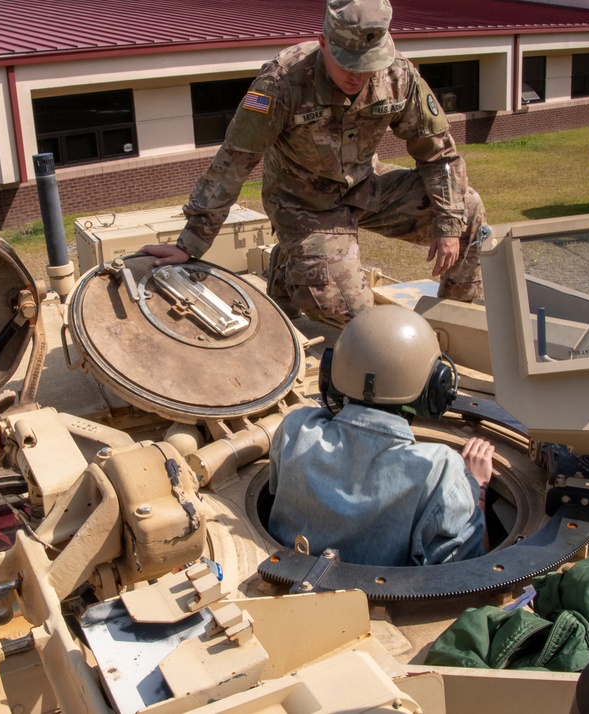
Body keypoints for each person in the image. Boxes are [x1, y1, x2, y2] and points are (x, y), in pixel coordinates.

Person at [141, 0, 486, 326]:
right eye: (348, 64)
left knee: (466, 210)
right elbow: (234, 162)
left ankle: (454, 322)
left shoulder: (399, 76)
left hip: (365, 186)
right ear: (323, 43)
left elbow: (439, 153)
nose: (358, 76)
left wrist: (448, 225)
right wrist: (190, 243)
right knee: (356, 318)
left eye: (368, 65)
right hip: (301, 202)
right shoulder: (282, 82)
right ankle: (291, 268)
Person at [267, 304, 495, 566]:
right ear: (434, 388)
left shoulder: (295, 430)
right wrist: (477, 488)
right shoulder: (441, 471)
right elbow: (473, 566)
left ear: (331, 374)